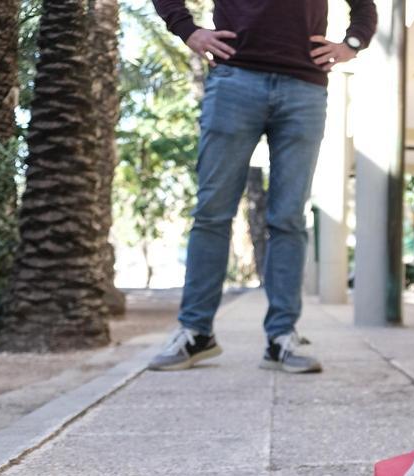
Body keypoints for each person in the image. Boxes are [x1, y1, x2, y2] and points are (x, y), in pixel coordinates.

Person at [148, 0, 377, 373]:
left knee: (288, 217)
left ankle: (281, 337)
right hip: (234, 80)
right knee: (211, 213)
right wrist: (188, 30)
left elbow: (364, 8)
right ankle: (196, 333)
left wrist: (351, 44)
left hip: (304, 88)